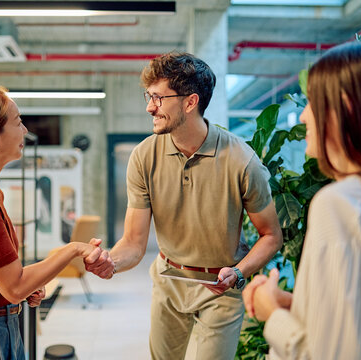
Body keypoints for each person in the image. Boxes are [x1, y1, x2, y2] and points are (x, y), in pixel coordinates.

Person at [86, 52, 283, 360]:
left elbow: (271, 235)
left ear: (190, 102)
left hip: (221, 286)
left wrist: (239, 271)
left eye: (159, 98)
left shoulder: (241, 160)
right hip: (169, 279)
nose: (150, 106)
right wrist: (110, 261)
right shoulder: (143, 156)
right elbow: (134, 243)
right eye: (148, 96)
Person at [242, 38, 361, 359]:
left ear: (345, 108)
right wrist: (297, 305)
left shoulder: (341, 203)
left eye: (313, 102)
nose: (305, 116)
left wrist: (271, 313)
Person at [0, 86, 108, 360]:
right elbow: (14, 286)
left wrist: (26, 285)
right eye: (18, 122)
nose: (25, 130)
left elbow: (8, 282)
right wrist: (74, 249)